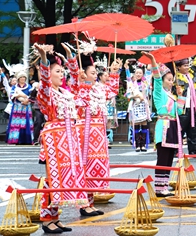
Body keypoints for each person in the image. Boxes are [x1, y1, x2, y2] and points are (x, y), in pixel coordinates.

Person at [34, 43, 87, 233]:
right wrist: (44, 60)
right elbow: (46, 81)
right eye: (58, 71)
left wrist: (71, 56)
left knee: (63, 181)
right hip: (54, 141)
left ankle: (56, 217)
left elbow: (75, 80)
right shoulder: (46, 93)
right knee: (51, 180)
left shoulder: (66, 93)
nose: (61, 73)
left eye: (62, 70)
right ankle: (47, 219)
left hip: (68, 140)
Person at [69, 53, 121, 216]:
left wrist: (114, 72)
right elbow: (74, 76)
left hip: (98, 133)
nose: (94, 75)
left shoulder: (98, 89)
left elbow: (113, 90)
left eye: (93, 73)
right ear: (83, 73)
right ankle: (83, 204)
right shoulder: (77, 87)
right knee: (84, 167)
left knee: (93, 168)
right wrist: (73, 61)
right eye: (91, 73)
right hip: (84, 132)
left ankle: (90, 203)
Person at [143, 52, 181, 197]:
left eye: (172, 80)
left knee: (170, 158)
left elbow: (180, 111)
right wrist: (153, 61)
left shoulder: (172, 95)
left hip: (173, 126)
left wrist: (181, 95)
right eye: (169, 80)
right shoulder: (159, 93)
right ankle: (159, 187)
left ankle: (164, 185)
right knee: (163, 157)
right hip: (164, 126)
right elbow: (157, 79)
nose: (171, 82)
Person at [175, 56, 196, 155]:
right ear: (179, 67)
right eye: (184, 66)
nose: (187, 67)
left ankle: (193, 151)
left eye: (187, 65)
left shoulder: (192, 76)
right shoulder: (175, 77)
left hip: (193, 107)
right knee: (179, 130)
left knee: (193, 130)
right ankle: (177, 151)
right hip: (182, 108)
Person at [125, 61, 152, 152]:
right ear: (134, 74)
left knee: (144, 123)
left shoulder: (146, 82)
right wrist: (127, 68)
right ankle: (137, 144)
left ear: (143, 74)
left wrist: (149, 65)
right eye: (137, 73)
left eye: (140, 73)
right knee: (136, 124)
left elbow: (148, 73)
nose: (138, 74)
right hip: (135, 105)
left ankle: (143, 144)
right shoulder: (131, 83)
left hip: (143, 105)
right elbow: (128, 77)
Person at [5, 67, 34, 145]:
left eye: (24, 77)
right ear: (18, 79)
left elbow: (32, 96)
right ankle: (16, 139)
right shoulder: (15, 87)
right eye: (21, 77)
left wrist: (26, 100)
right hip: (17, 108)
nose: (22, 79)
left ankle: (26, 139)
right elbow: (12, 96)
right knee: (17, 124)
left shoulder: (29, 87)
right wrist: (18, 96)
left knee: (25, 124)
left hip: (26, 107)